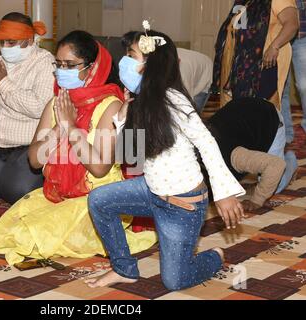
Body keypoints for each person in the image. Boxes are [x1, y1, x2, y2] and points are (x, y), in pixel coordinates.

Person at [85, 28, 246, 291]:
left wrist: (224, 192)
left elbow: (206, 143)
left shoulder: (174, 100)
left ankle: (214, 255)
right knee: (99, 200)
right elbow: (131, 156)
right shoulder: (140, 102)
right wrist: (125, 115)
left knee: (175, 281)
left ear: (152, 64)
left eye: (131, 55)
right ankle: (124, 269)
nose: (124, 62)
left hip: (181, 205)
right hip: (151, 191)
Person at [0, 31, 157, 266]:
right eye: (59, 64)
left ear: (92, 67)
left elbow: (98, 168)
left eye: (70, 65)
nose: (62, 71)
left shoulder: (110, 106)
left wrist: (71, 126)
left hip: (97, 198)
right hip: (57, 194)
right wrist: (58, 130)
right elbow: (35, 160)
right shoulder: (57, 103)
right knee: (9, 230)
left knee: (32, 236)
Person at [0, 12, 55, 204]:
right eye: (2, 42)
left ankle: (28, 175)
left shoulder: (45, 62)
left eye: (11, 42)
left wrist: (2, 83)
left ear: (29, 40)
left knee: (16, 191)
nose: (6, 48)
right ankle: (6, 173)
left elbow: (39, 107)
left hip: (27, 144)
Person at [206, 97, 298, 211]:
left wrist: (256, 201)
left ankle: (291, 162)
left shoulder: (234, 156)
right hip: (242, 113)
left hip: (269, 118)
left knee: (273, 184)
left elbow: (276, 165)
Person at [213, 0, 299, 110]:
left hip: (265, 62)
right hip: (239, 66)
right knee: (237, 109)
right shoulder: (242, 1)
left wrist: (274, 46)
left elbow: (292, 24)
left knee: (261, 110)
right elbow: (237, 28)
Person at [281, 0, 306, 143]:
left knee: (304, 85)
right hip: (279, 38)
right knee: (282, 87)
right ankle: (286, 132)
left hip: (302, 37)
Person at [177, 48, 213, 113]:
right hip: (193, 66)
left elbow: (187, 101)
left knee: (193, 112)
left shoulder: (183, 73)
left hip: (205, 73)